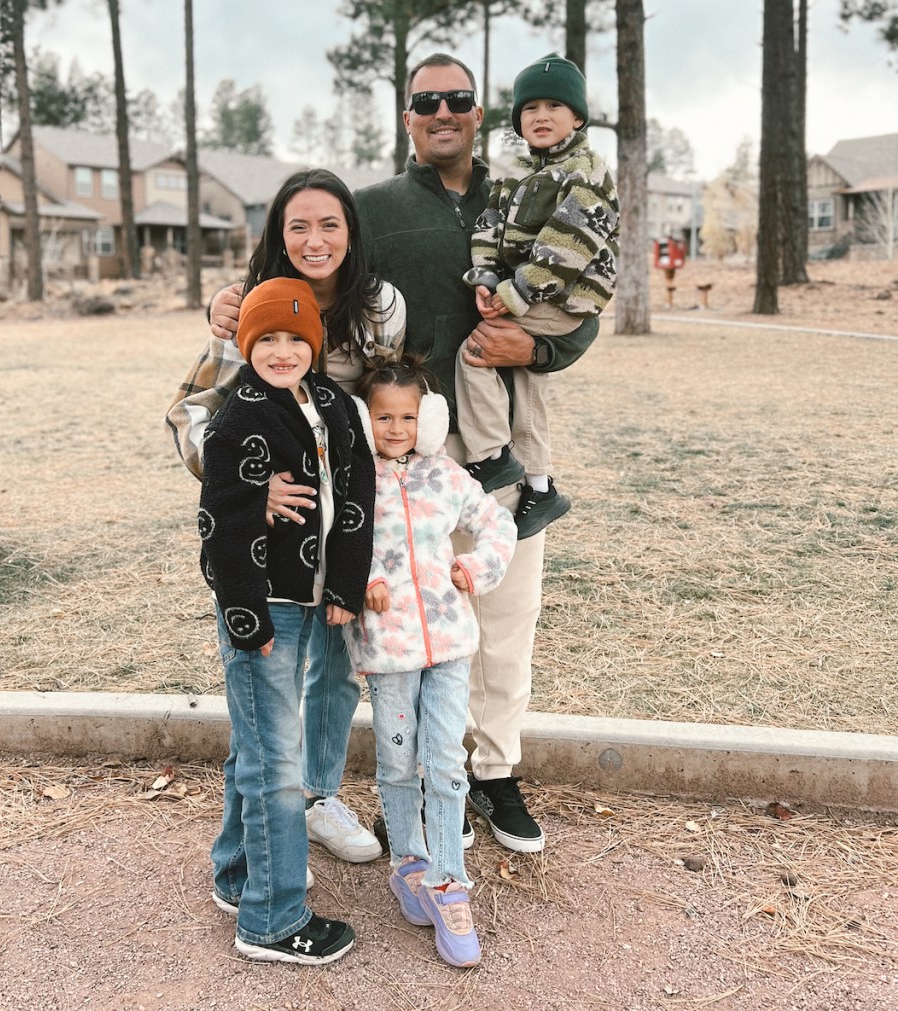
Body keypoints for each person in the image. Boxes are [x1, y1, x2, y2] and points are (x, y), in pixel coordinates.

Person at [352, 53, 601, 853]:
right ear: (408, 116)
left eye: (458, 98)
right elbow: (327, 298)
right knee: (426, 622)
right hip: (416, 449)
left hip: (509, 443)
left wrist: (538, 348)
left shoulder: (528, 189)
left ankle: (495, 771)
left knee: (507, 614)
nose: (443, 111)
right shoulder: (373, 209)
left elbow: (583, 298)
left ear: (479, 111)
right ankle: (434, 777)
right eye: (426, 100)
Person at [168, 169, 405, 865]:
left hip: (348, 523)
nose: (314, 239)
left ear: (352, 233)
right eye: (297, 225)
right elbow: (191, 412)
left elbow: (389, 400)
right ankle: (248, 838)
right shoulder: (250, 305)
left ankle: (318, 795)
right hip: (272, 536)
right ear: (276, 235)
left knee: (338, 666)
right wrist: (245, 484)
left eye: (330, 223)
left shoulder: (379, 306)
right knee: (266, 682)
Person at [199, 277, 375, 964]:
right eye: (265, 338)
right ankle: (272, 918)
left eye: (293, 338)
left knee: (256, 746)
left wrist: (349, 585)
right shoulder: (238, 414)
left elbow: (357, 495)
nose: (280, 351)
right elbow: (222, 522)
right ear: (246, 344)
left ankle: (238, 874)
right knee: (276, 758)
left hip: (315, 596)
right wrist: (245, 617)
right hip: (262, 606)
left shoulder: (333, 402)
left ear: (313, 343)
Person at [344, 357, 515, 968]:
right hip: (387, 650)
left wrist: (474, 569)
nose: (396, 427)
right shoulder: (351, 479)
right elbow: (334, 540)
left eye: (408, 416)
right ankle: (408, 861)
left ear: (430, 418)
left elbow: (497, 524)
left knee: (444, 760)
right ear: (365, 419)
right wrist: (360, 580)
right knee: (396, 758)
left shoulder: (447, 476)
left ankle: (449, 881)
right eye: (383, 416)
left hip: (448, 644)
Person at [457, 53, 619, 539]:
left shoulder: (585, 171)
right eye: (530, 109)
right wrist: (485, 278)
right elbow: (488, 225)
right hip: (525, 292)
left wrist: (514, 294)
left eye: (554, 106)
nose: (541, 117)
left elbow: (564, 248)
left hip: (564, 297)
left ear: (578, 118)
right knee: (528, 382)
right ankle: (540, 485)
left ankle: (491, 456)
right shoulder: (516, 172)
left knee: (477, 353)